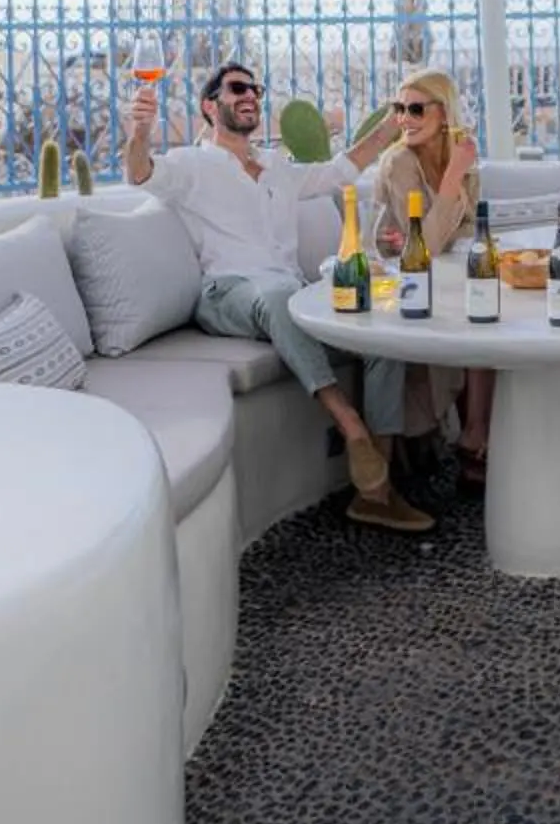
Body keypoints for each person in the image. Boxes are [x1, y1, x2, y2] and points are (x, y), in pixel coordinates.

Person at [124, 61, 429, 533]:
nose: (250, 95)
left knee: (379, 333)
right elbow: (140, 173)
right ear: (210, 105)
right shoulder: (192, 163)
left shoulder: (277, 165)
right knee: (281, 291)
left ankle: (377, 488)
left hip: (288, 295)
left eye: (255, 89)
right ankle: (351, 428)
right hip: (228, 294)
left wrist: (392, 123)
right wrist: (140, 131)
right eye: (236, 88)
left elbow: (342, 169)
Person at [372, 65, 487, 489]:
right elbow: (425, 246)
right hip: (407, 281)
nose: (405, 119)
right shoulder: (399, 162)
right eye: (399, 109)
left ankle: (480, 435)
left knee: (489, 308)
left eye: (416, 109)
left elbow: (467, 228)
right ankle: (477, 437)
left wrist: (454, 182)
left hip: (446, 273)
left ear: (444, 113)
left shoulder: (460, 157)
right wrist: (454, 177)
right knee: (479, 317)